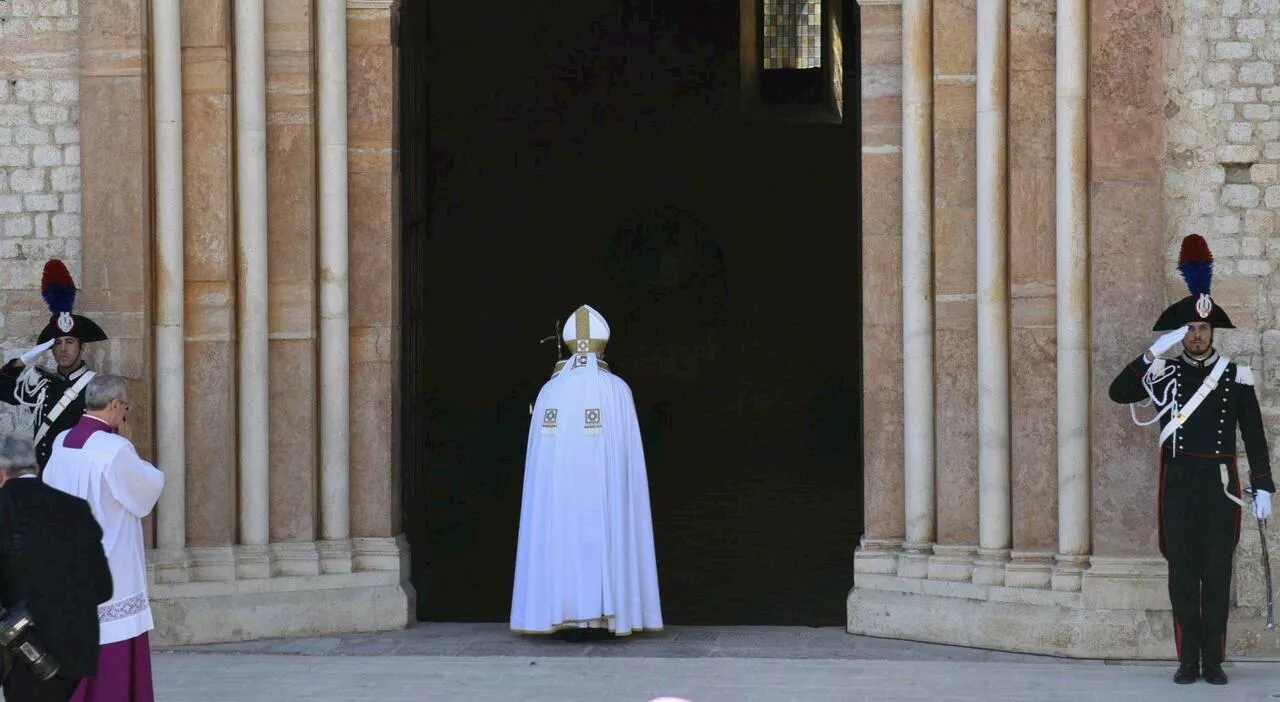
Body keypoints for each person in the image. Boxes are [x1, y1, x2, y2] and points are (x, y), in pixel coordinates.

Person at [1109, 234, 1274, 686]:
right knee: (1182, 572)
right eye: (1191, 331)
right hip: (1178, 481)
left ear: (1212, 333)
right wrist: (1153, 353)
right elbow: (1118, 392)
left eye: (1204, 330)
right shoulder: (1165, 370)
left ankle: (1214, 661)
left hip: (1220, 483)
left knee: (1217, 573)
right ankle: (1187, 660)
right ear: (1182, 334)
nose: (1198, 337)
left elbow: (1254, 434)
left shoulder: (1236, 378)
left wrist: (1263, 486)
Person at [510, 304, 663, 638]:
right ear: (602, 346)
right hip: (603, 499)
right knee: (609, 531)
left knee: (556, 533)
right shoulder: (617, 390)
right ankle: (611, 612)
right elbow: (629, 464)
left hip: (559, 498)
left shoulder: (549, 391)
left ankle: (552, 611)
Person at [41, 375, 164, 702]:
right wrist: (130, 446)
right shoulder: (115, 449)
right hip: (110, 566)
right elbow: (149, 487)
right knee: (113, 646)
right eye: (124, 407)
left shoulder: (61, 441)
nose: (124, 413)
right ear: (114, 405)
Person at [0, 434, 112, 702]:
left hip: (23, 653)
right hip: (75, 651)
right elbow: (103, 588)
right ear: (36, 467)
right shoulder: (76, 508)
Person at [0, 260, 108, 470]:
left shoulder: (97, 386)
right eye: (57, 343)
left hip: (78, 475)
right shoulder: (40, 382)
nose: (63, 349)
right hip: (45, 474)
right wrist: (25, 358)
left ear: (81, 346)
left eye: (69, 342)